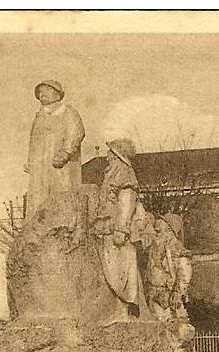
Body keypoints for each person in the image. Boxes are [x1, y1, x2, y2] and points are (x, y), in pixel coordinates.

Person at [92, 138, 154, 319]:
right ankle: (117, 310)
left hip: (118, 232)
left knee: (122, 271)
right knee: (112, 271)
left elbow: (127, 203)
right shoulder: (112, 174)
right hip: (108, 229)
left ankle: (123, 311)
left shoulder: (124, 175)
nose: (107, 157)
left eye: (110, 153)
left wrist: (121, 229)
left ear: (118, 155)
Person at [25, 80, 85, 216]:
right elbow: (33, 141)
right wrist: (30, 161)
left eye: (47, 90)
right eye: (40, 92)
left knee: (61, 195)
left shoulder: (68, 112)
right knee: (38, 198)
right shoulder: (39, 116)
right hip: (40, 166)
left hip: (60, 164)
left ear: (58, 95)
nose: (42, 94)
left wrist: (65, 152)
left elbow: (76, 131)